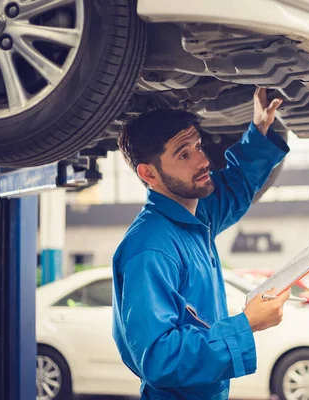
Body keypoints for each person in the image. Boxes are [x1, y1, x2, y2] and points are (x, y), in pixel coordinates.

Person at [111, 88, 292, 400]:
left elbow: (237, 184)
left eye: (197, 146)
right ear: (148, 173)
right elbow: (158, 358)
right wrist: (246, 325)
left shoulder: (194, 217)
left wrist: (260, 127)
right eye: (184, 154)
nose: (203, 159)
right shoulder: (150, 247)